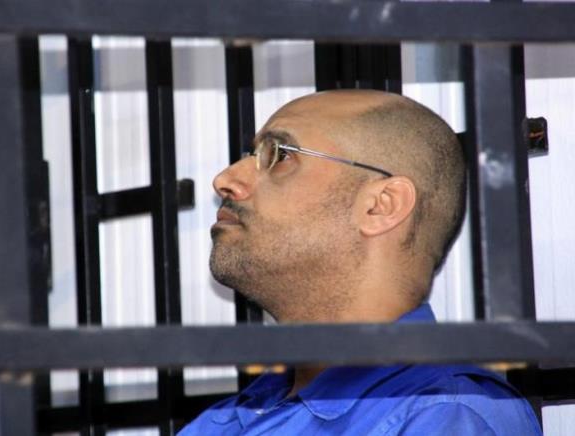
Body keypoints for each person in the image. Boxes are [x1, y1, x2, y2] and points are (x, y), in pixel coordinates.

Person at [178, 90, 542, 435]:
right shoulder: (225, 421)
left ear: (380, 205)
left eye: (279, 155)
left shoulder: (448, 414)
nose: (225, 180)